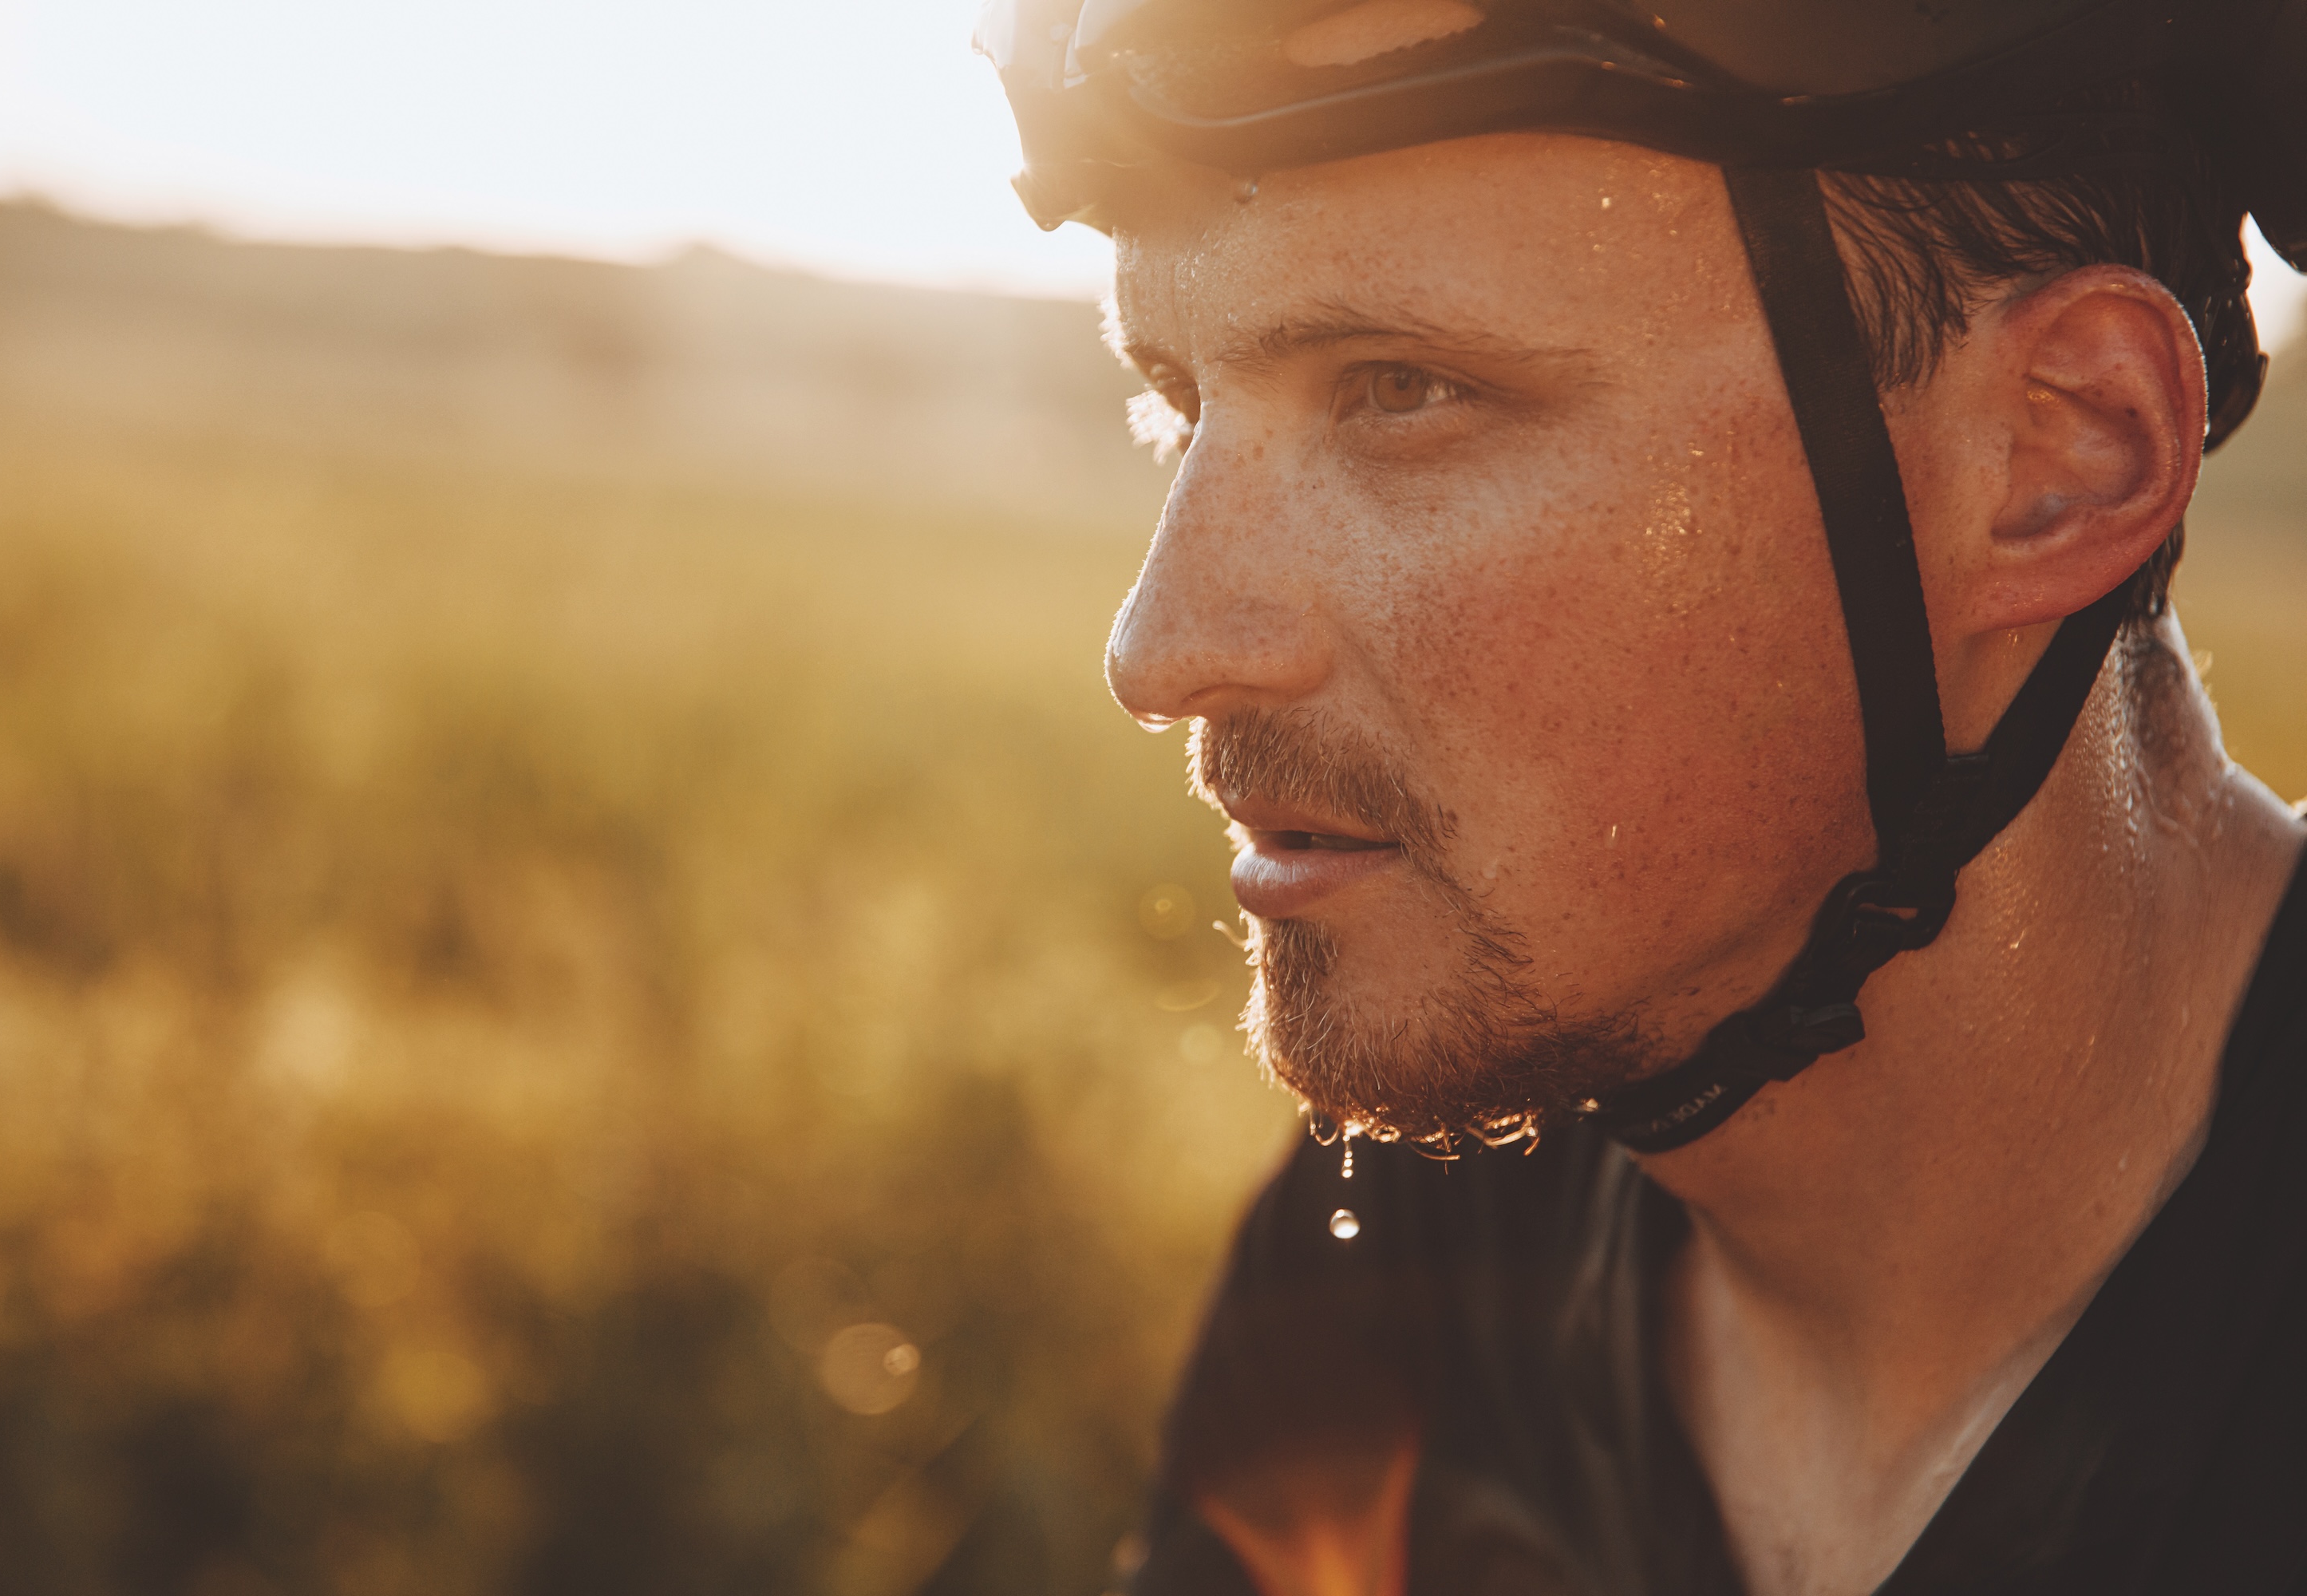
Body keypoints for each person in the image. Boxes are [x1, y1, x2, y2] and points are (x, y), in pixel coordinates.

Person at [979, 2, 2307, 1592]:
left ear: (2059, 457)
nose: (1162, 651)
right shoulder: (1404, 1273)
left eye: (1404, 389)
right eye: (1181, 404)